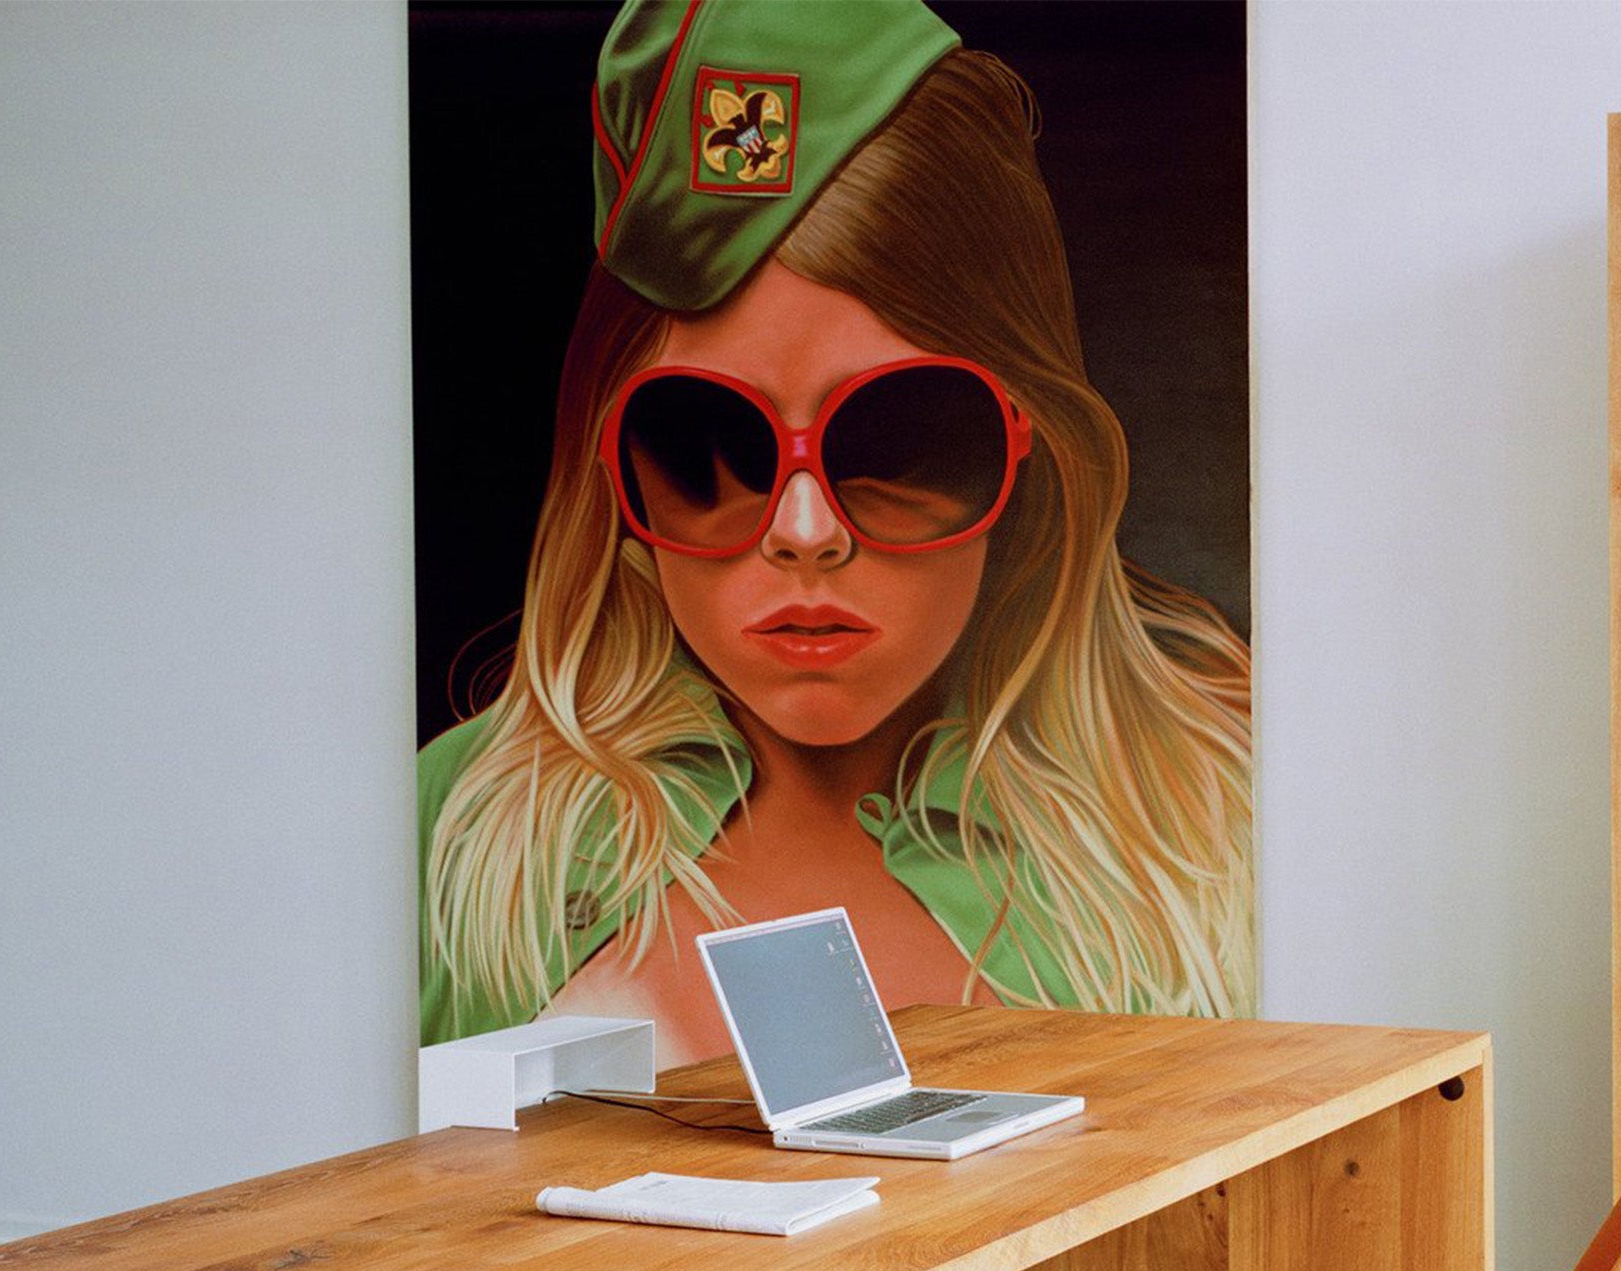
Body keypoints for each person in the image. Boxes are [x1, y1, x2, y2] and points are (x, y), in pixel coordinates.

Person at [418, 0, 1252, 1061]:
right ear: (606, 454)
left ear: (1025, 435)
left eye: (900, 437)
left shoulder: (1230, 810)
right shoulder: (448, 825)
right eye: (703, 441)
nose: (804, 532)